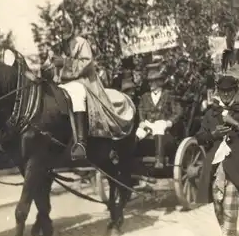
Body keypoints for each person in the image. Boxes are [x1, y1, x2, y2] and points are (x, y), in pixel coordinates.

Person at [41, 11, 132, 160]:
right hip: (60, 84)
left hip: (81, 81)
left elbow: (86, 63)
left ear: (70, 26)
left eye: (64, 26)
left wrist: (64, 63)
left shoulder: (81, 42)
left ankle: (81, 142)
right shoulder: (55, 47)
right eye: (58, 27)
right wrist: (46, 69)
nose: (61, 30)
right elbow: (48, 67)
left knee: (78, 93)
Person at [195, 75, 239, 236]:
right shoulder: (210, 114)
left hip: (236, 164)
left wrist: (237, 126)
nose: (226, 94)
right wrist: (213, 134)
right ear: (218, 92)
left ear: (235, 92)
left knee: (230, 205)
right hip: (215, 166)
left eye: (230, 91)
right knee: (219, 206)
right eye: (223, 91)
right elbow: (199, 137)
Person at [136, 61, 182, 169]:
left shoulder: (168, 95)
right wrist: (142, 121)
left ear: (159, 82)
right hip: (149, 124)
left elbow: (178, 111)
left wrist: (170, 121)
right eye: (150, 82)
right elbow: (141, 110)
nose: (150, 84)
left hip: (162, 125)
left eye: (152, 82)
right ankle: (131, 156)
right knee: (138, 132)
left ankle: (159, 160)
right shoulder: (145, 97)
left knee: (159, 126)